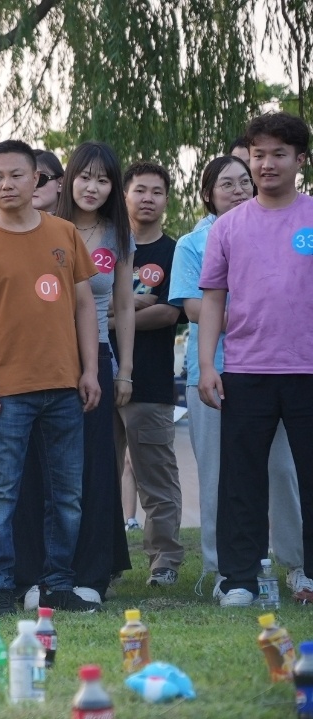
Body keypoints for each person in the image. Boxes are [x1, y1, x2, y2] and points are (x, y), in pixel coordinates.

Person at [0, 140, 101, 615]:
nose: (6, 184)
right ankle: (1, 585)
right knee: (1, 493)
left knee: (67, 495)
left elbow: (84, 307)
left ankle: (58, 584)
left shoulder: (64, 233)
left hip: (64, 384)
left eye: (16, 175)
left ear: (36, 178)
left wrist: (91, 370)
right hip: (5, 391)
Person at [168, 154, 306, 597]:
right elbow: (198, 305)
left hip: (289, 368)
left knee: (286, 473)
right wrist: (254, 321)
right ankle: (226, 571)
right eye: (226, 183)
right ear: (208, 193)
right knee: (226, 477)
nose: (240, 189)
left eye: (243, 180)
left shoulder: (291, 221)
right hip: (226, 370)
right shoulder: (199, 240)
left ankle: (297, 564)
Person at [199, 112, 313, 607]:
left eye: (278, 154)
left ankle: (309, 576)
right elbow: (213, 299)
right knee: (241, 481)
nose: (266, 164)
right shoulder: (228, 227)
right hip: (245, 370)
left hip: (308, 370)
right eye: (259, 154)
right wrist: (208, 365)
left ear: (300, 160)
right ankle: (239, 579)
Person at [15, 141, 136, 609]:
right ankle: (35, 576)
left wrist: (124, 371)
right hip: (40, 359)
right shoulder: (42, 227)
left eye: (103, 180)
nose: (92, 187)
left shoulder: (117, 235)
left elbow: (123, 305)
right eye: (85, 177)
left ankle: (90, 574)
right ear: (68, 180)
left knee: (93, 467)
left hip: (95, 361)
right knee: (36, 469)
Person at [117, 161, 185, 587]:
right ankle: (104, 561)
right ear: (124, 195)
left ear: (166, 200)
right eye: (140, 190)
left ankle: (164, 561)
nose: (148, 199)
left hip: (151, 381)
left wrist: (110, 316)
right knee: (98, 478)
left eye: (157, 192)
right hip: (97, 378)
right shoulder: (103, 249)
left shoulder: (175, 252)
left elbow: (169, 312)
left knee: (156, 478)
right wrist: (131, 306)